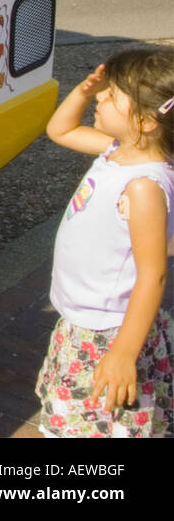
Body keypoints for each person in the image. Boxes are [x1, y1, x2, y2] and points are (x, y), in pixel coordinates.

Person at [37, 48, 174, 438]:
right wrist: (82, 90)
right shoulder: (119, 151)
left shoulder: (144, 186)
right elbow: (59, 131)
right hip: (84, 320)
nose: (100, 97)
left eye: (112, 95)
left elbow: (154, 276)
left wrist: (124, 353)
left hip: (108, 333)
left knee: (104, 425)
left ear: (146, 121)